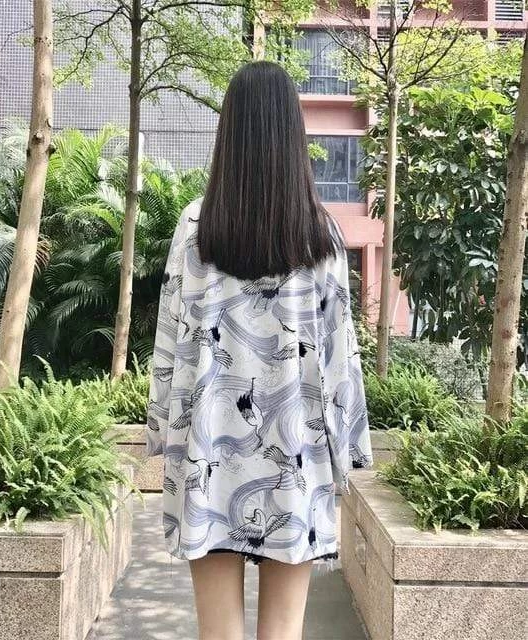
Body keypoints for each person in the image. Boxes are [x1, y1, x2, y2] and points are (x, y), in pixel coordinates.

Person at [146, 60, 373, 640]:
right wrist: (350, 450)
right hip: (294, 455)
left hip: (208, 452)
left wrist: (162, 433)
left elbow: (170, 344)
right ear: (293, 134)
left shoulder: (195, 227)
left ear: (230, 131)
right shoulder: (320, 234)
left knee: (217, 632)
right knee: (283, 632)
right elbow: (340, 355)